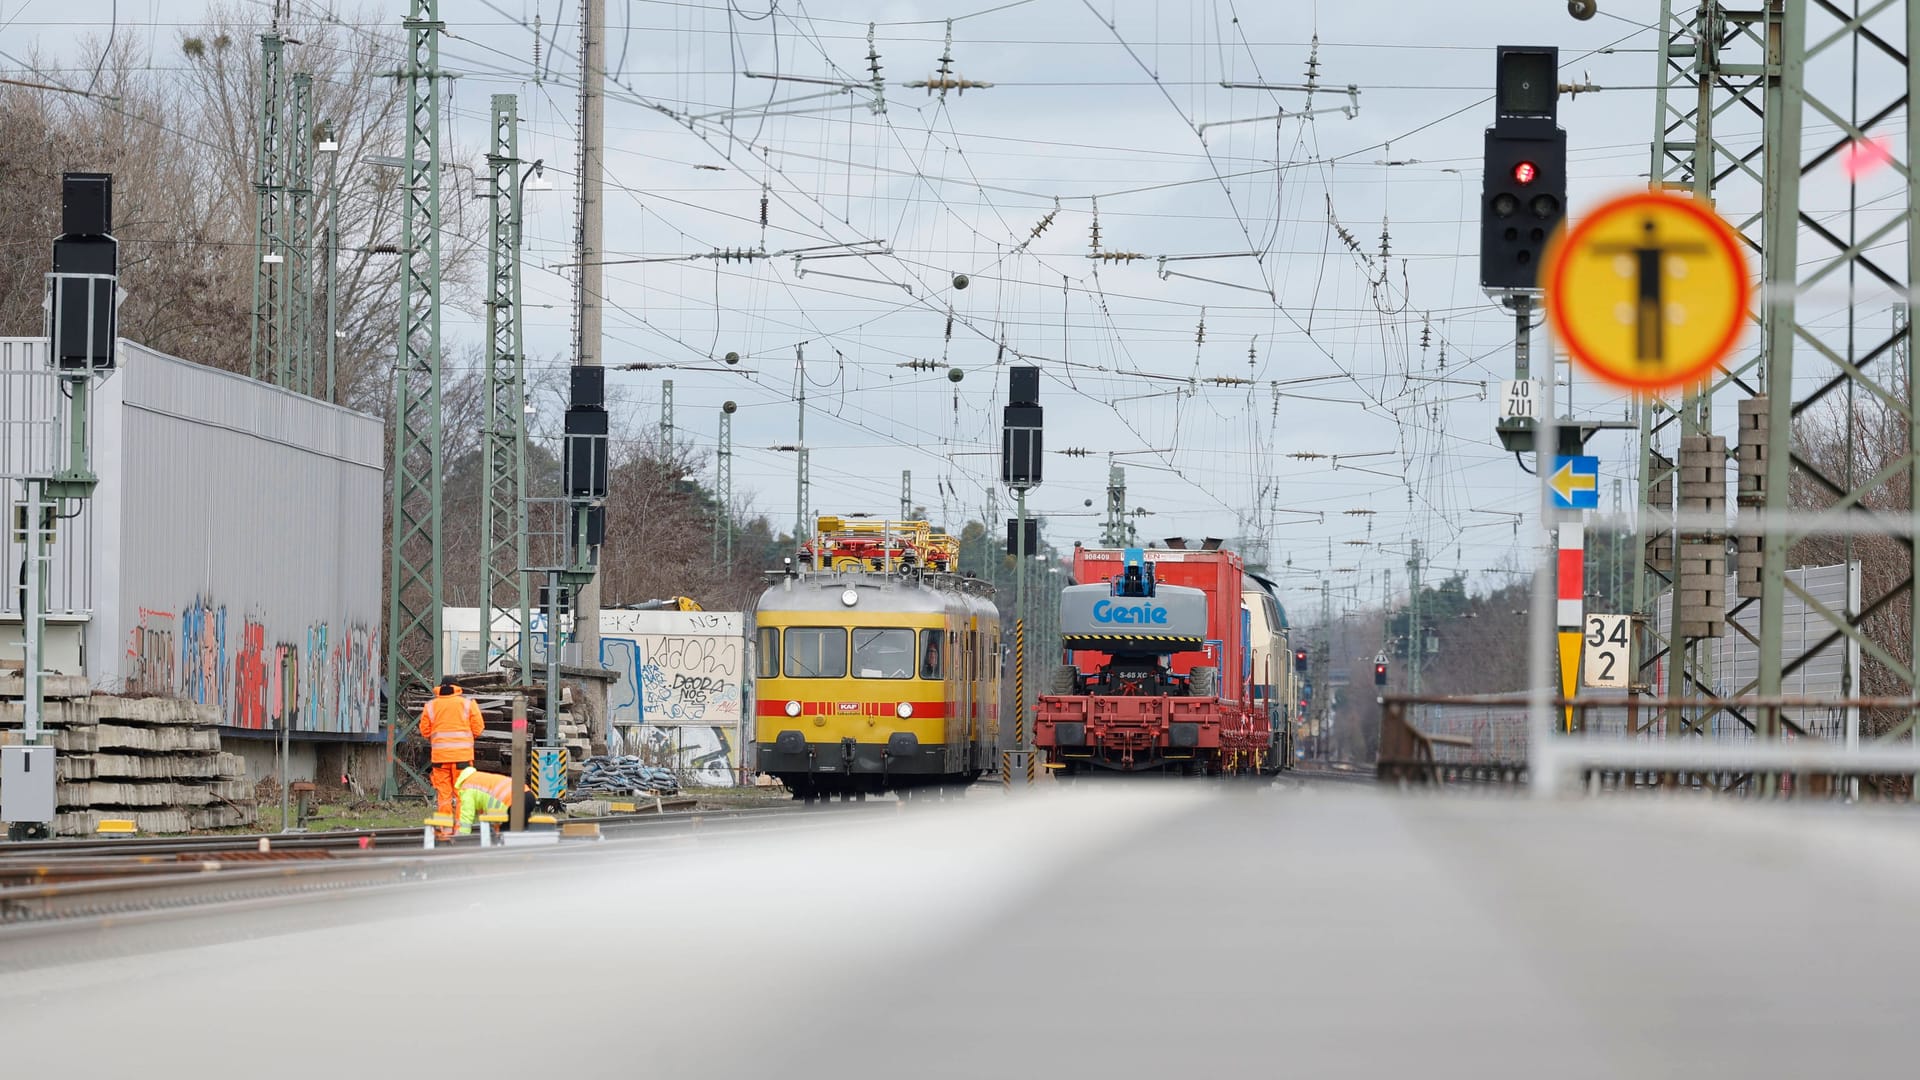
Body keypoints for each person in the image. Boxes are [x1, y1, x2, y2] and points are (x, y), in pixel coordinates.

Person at [418, 678, 484, 835]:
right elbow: (478, 728)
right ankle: (461, 829)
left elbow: (425, 731)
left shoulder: (431, 706)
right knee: (463, 794)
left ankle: (446, 829)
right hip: (463, 759)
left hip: (440, 760)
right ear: (457, 688)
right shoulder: (468, 704)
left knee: (444, 796)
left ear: (440, 688)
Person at [453, 765, 528, 836]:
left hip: (512, 801)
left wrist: (463, 837)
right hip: (527, 793)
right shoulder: (479, 777)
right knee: (522, 835)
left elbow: (467, 816)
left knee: (507, 839)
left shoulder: (466, 789)